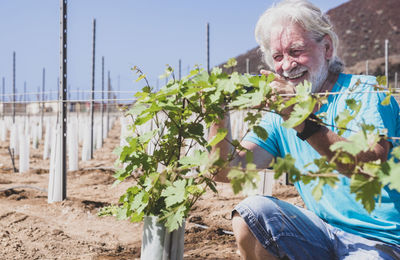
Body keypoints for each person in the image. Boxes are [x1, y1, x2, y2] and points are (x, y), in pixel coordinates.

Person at [209, 0, 400, 259]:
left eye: (296, 51)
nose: (287, 65)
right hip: (322, 232)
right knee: (251, 214)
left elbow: (370, 166)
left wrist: (301, 120)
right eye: (278, 57)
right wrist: (216, 116)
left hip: (381, 241)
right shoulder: (279, 115)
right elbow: (225, 171)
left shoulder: (365, 92)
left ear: (328, 48)